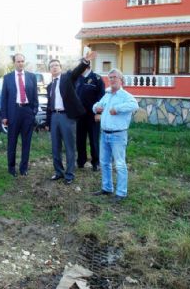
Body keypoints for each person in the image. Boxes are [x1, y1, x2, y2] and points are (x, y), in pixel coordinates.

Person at [46, 52, 97, 185]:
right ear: (49, 70)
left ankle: (69, 174)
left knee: (69, 146)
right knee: (55, 146)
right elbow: (48, 105)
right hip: (54, 117)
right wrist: (47, 122)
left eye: (57, 65)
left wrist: (85, 61)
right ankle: (58, 172)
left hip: (66, 117)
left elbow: (76, 71)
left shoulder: (67, 78)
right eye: (52, 66)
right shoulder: (49, 86)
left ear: (60, 68)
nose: (55, 67)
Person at [92, 68, 138, 202]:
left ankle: (121, 193)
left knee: (119, 164)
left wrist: (117, 109)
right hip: (104, 134)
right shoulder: (107, 95)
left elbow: (134, 105)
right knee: (104, 163)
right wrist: (96, 108)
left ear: (121, 80)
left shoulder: (125, 96)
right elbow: (96, 105)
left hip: (118, 135)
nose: (111, 80)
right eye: (110, 77)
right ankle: (107, 188)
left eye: (114, 77)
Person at [1, 53, 38, 177]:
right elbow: (4, 98)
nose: (20, 63)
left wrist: (33, 112)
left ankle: (24, 168)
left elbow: (35, 97)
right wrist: (4, 116)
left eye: (22, 61)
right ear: (14, 63)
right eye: (18, 61)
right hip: (13, 112)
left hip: (27, 112)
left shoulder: (32, 77)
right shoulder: (7, 78)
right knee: (12, 141)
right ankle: (11, 168)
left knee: (26, 142)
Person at [75, 66, 105, 171]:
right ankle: (81, 161)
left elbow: (101, 97)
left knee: (94, 139)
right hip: (79, 115)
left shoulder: (97, 78)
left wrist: (98, 113)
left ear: (87, 66)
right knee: (80, 139)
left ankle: (95, 162)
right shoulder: (77, 78)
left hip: (92, 115)